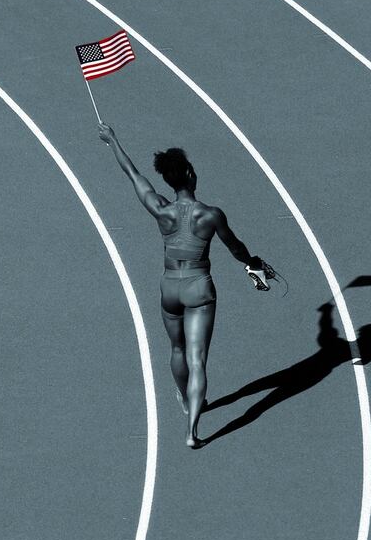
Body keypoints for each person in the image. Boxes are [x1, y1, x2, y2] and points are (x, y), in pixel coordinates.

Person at [98, 122, 265, 448]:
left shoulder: (162, 210)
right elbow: (235, 247)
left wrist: (113, 141)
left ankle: (188, 401)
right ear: (190, 174)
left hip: (169, 286)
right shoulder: (211, 214)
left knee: (176, 349)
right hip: (198, 286)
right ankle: (192, 431)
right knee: (197, 358)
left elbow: (132, 175)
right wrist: (252, 263)